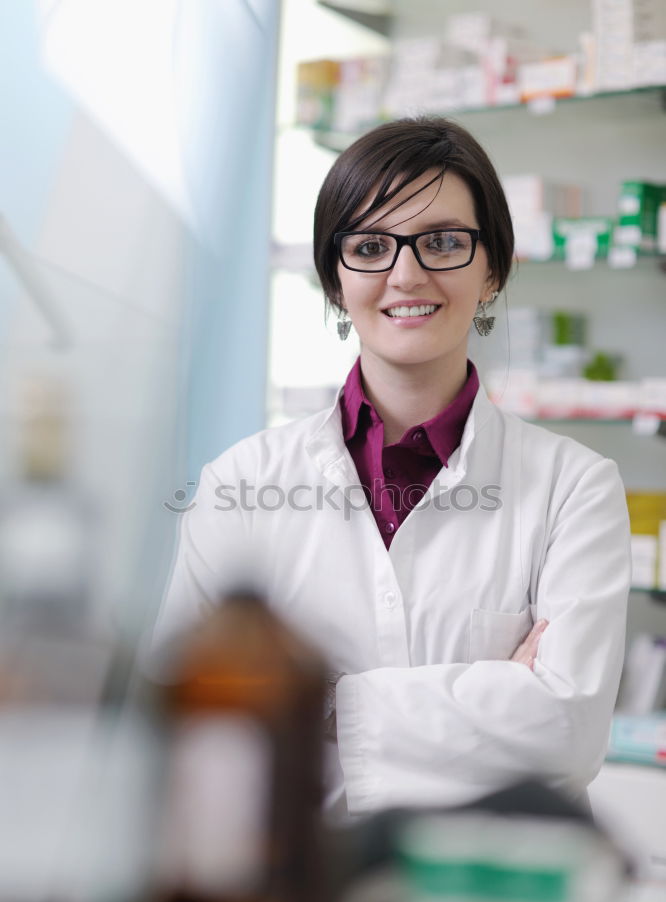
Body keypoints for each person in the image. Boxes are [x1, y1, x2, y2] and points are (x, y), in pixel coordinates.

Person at [153, 116, 631, 823]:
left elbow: (567, 734)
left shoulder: (576, 489)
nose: (406, 274)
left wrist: (312, 702)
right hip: (298, 901)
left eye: (442, 241)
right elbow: (185, 720)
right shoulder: (239, 486)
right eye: (371, 246)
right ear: (335, 279)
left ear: (492, 269)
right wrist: (493, 693)